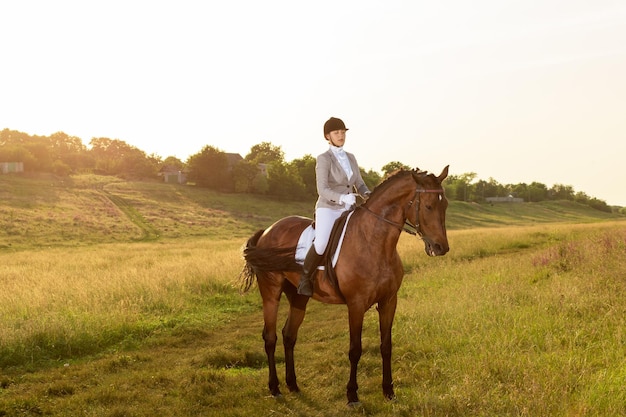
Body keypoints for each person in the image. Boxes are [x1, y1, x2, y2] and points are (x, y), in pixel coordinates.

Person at [297, 117, 371, 297]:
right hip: (328, 207)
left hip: (348, 207)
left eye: (343, 132)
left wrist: (368, 195)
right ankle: (305, 279)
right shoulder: (323, 159)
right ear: (327, 136)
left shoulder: (351, 157)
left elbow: (359, 183)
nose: (341, 136)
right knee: (321, 242)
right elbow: (322, 189)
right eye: (336, 133)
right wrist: (341, 198)